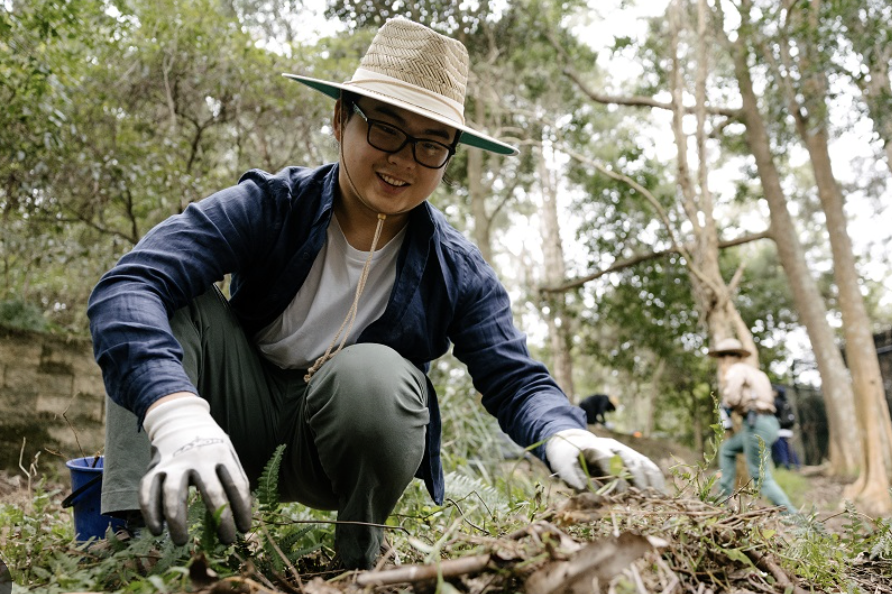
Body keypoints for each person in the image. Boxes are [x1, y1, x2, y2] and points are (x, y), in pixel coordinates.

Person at [88, 18, 665, 570]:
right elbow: (129, 285)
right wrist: (176, 414)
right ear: (341, 119)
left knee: (377, 375)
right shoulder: (272, 206)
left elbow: (514, 378)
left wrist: (565, 431)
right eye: (386, 129)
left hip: (331, 446)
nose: (402, 161)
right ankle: (138, 542)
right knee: (167, 296)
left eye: (430, 145)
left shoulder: (455, 268)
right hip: (228, 418)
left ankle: (357, 562)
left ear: (448, 158)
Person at [708, 338, 796, 514]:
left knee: (761, 477)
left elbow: (732, 397)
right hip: (769, 423)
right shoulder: (758, 373)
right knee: (728, 449)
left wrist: (727, 406)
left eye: (722, 358)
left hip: (756, 424)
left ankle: (793, 516)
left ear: (726, 357)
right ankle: (722, 500)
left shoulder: (735, 370)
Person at [770, 385, 801, 470]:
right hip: (788, 431)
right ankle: (796, 465)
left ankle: (785, 466)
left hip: (779, 431)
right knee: (789, 449)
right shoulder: (786, 402)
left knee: (781, 450)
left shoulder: (776, 402)